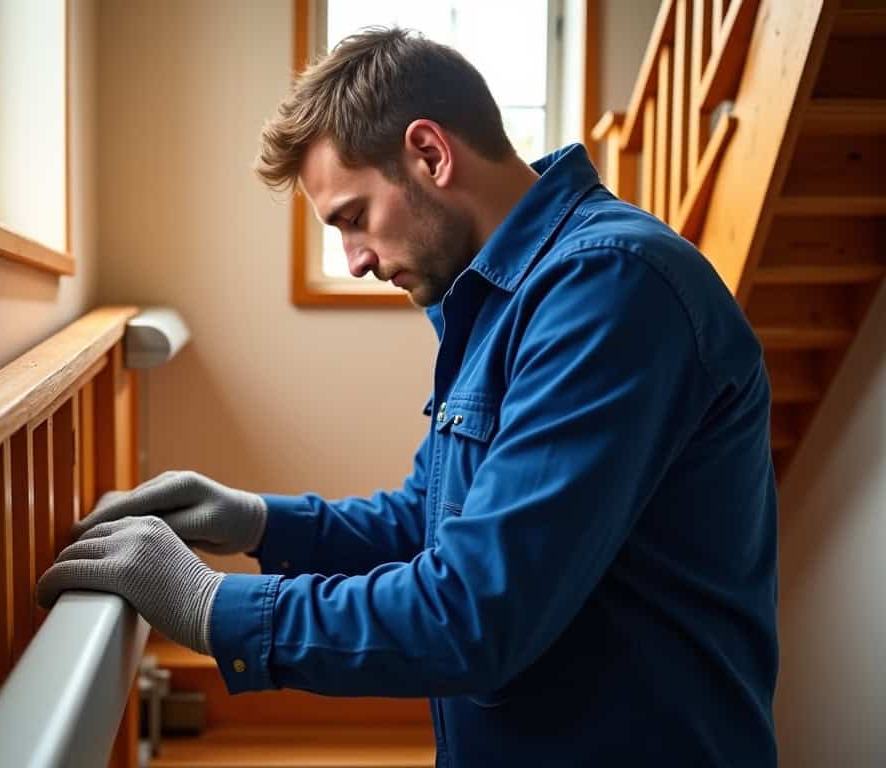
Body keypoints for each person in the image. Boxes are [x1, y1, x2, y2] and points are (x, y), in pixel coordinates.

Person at [38, 27, 777, 767]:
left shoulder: (611, 288)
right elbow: (425, 524)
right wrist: (257, 522)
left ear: (430, 153)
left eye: (354, 218)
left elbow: (473, 615)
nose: (355, 260)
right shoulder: (498, 299)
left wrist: (208, 605)